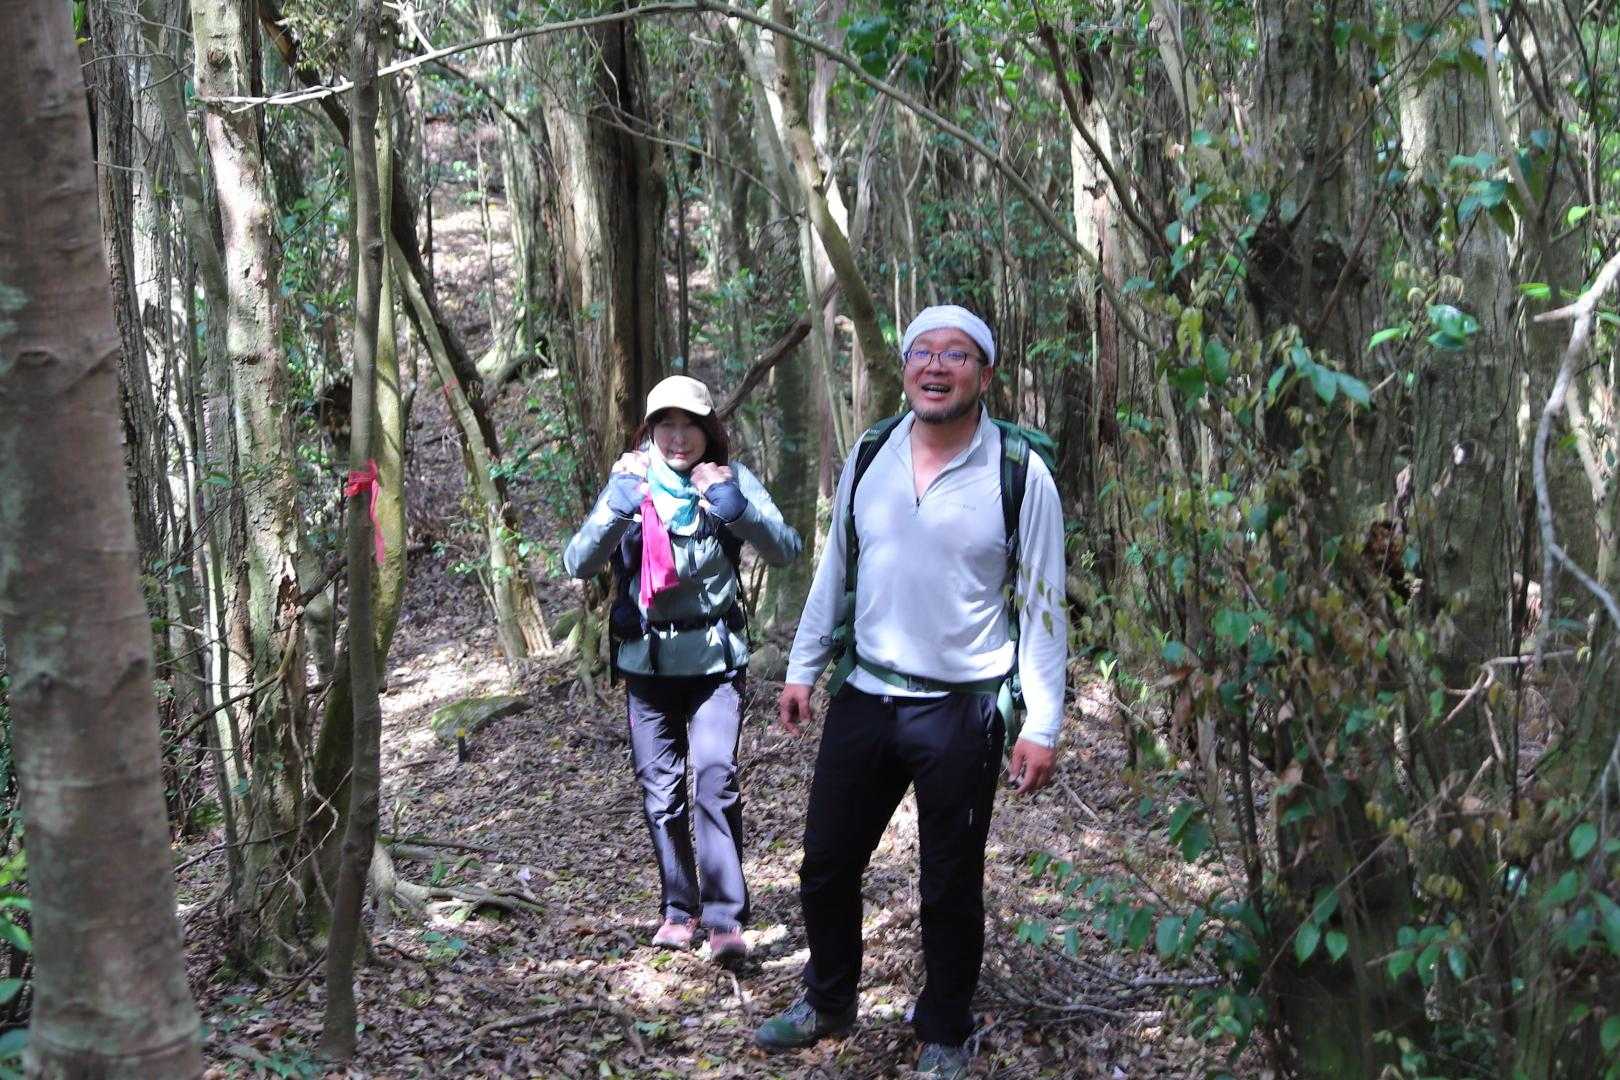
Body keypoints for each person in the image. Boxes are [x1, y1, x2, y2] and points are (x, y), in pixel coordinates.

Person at [753, 306, 1067, 1078]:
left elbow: (1042, 603)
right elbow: (836, 565)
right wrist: (803, 667)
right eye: (922, 351)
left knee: (949, 884)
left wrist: (1043, 723)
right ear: (905, 369)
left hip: (964, 706)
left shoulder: (1020, 473)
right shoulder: (872, 452)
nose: (935, 366)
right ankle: (829, 999)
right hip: (867, 693)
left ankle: (945, 1030)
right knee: (826, 863)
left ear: (984, 374)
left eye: (955, 354)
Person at [564, 374, 801, 964]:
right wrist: (616, 508)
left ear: (707, 431)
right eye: (665, 425)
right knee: (661, 791)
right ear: (649, 431)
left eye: (688, 425)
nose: (677, 437)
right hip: (647, 665)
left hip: (715, 662)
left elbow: (786, 549)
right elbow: (578, 561)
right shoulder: (630, 480)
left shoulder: (729, 480)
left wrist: (739, 512)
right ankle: (679, 909)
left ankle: (725, 918)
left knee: (715, 777)